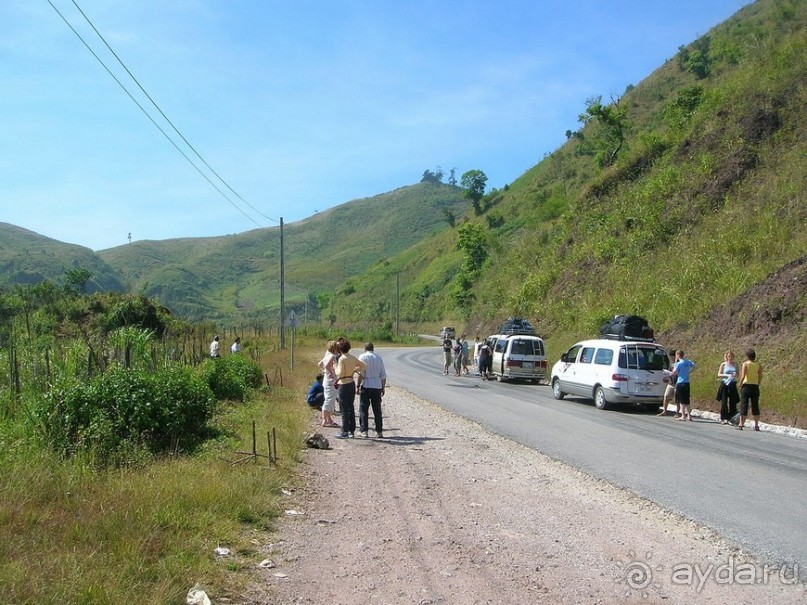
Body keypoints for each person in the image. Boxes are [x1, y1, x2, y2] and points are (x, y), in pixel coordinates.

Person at [334, 339, 366, 439]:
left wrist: (335, 367)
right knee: (350, 407)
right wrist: (354, 370)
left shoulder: (342, 359)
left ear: (340, 349)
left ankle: (344, 431)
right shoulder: (352, 357)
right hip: (351, 382)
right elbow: (363, 365)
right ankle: (352, 429)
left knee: (343, 408)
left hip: (343, 383)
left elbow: (340, 373)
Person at [357, 343, 387, 438]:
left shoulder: (362, 357)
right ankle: (379, 431)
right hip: (377, 385)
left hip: (366, 384)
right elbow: (383, 375)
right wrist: (383, 387)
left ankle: (364, 430)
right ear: (373, 349)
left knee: (364, 408)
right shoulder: (378, 358)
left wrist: (358, 385)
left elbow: (361, 373)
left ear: (365, 348)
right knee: (377, 409)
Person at [737, 349, 763, 431]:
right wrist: (758, 382)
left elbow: (743, 375)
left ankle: (741, 424)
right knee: (755, 405)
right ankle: (756, 425)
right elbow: (760, 375)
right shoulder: (758, 364)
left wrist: (740, 384)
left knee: (744, 405)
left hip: (746, 386)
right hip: (755, 386)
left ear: (747, 356)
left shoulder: (745, 364)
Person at [317, 340, 340, 428]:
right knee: (329, 400)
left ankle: (328, 419)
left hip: (327, 380)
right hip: (330, 381)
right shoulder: (332, 356)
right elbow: (326, 365)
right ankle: (324, 420)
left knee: (330, 399)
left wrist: (325, 371)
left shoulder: (327, 354)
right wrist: (330, 372)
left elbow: (320, 364)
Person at [717, 349, 740, 425]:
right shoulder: (723, 364)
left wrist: (735, 374)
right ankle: (723, 417)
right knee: (724, 401)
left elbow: (738, 374)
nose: (730, 358)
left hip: (732, 384)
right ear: (726, 357)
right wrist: (726, 375)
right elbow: (719, 374)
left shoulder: (735, 364)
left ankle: (732, 418)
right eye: (729, 356)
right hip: (725, 383)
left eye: (731, 356)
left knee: (733, 401)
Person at [673, 350, 696, 421]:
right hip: (687, 383)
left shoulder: (678, 364)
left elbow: (674, 372)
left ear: (678, 355)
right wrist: (689, 372)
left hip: (680, 382)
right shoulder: (687, 361)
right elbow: (694, 366)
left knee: (681, 400)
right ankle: (689, 415)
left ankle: (683, 416)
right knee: (687, 400)